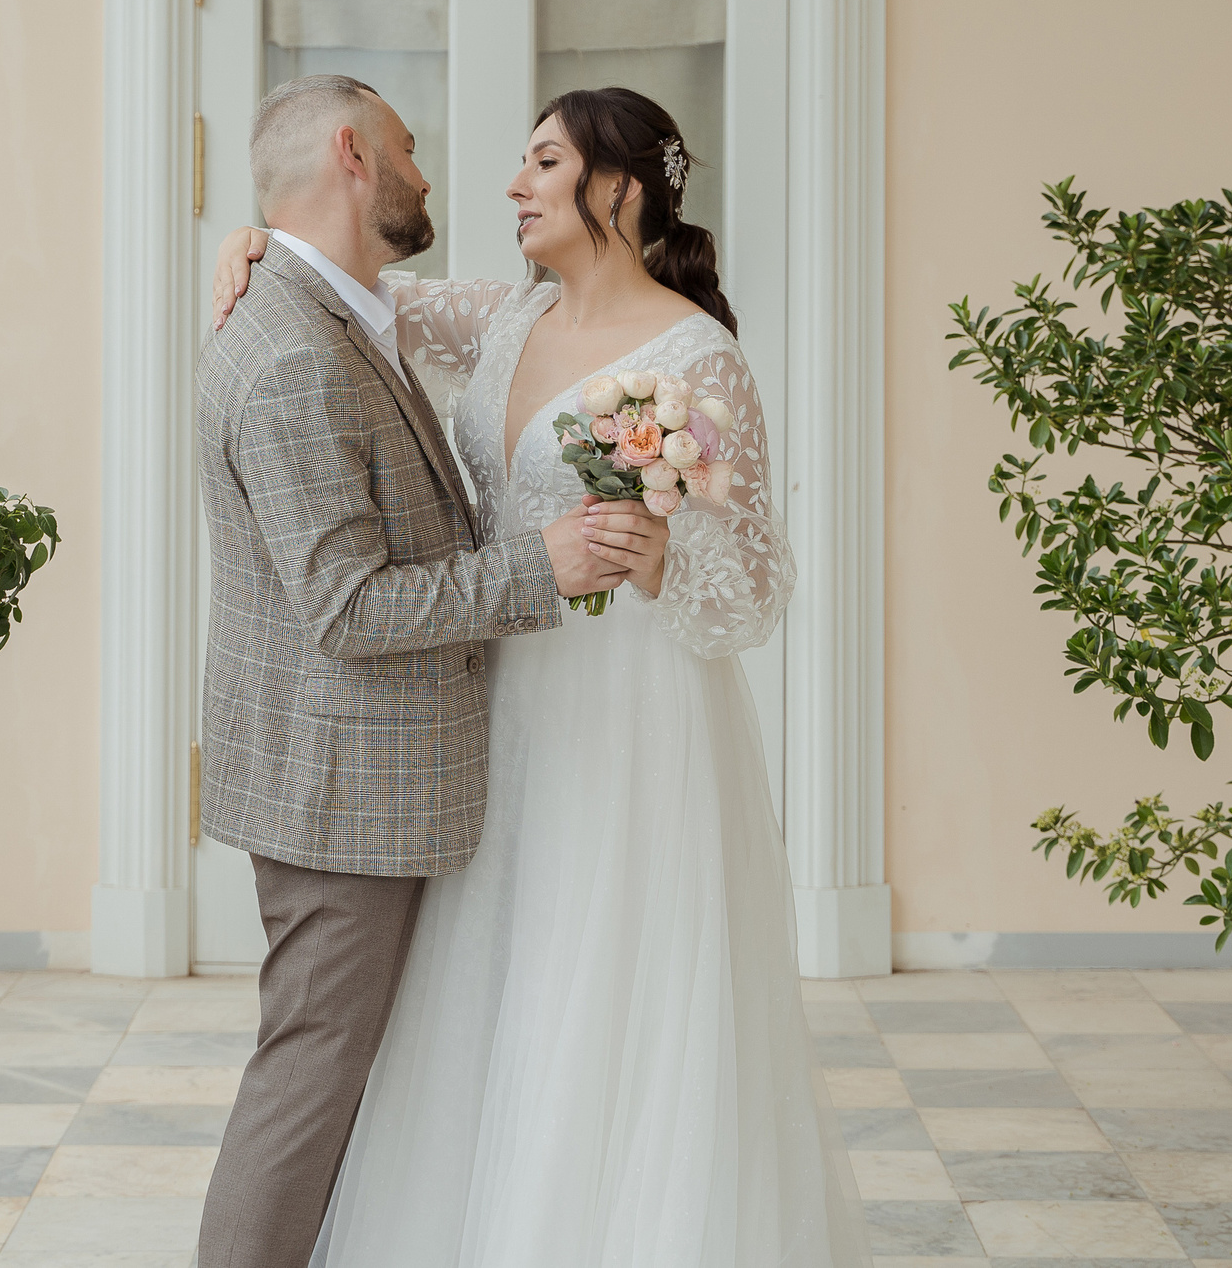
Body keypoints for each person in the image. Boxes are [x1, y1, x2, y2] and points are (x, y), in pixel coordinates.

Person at [210, 84, 868, 1266]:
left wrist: (666, 560)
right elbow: (352, 293)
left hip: (630, 718)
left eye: (541, 162)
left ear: (615, 188)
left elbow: (758, 585)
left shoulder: (695, 361)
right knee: (481, 994)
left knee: (603, 991)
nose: (511, 186)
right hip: (494, 706)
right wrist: (251, 240)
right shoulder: (502, 323)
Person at [192, 74, 632, 1268]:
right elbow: (347, 606)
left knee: (341, 1073)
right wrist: (540, 566)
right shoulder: (293, 353)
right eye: (409, 148)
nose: (431, 175)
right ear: (351, 153)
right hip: (342, 789)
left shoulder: (335, 310)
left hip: (360, 779)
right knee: (309, 1077)